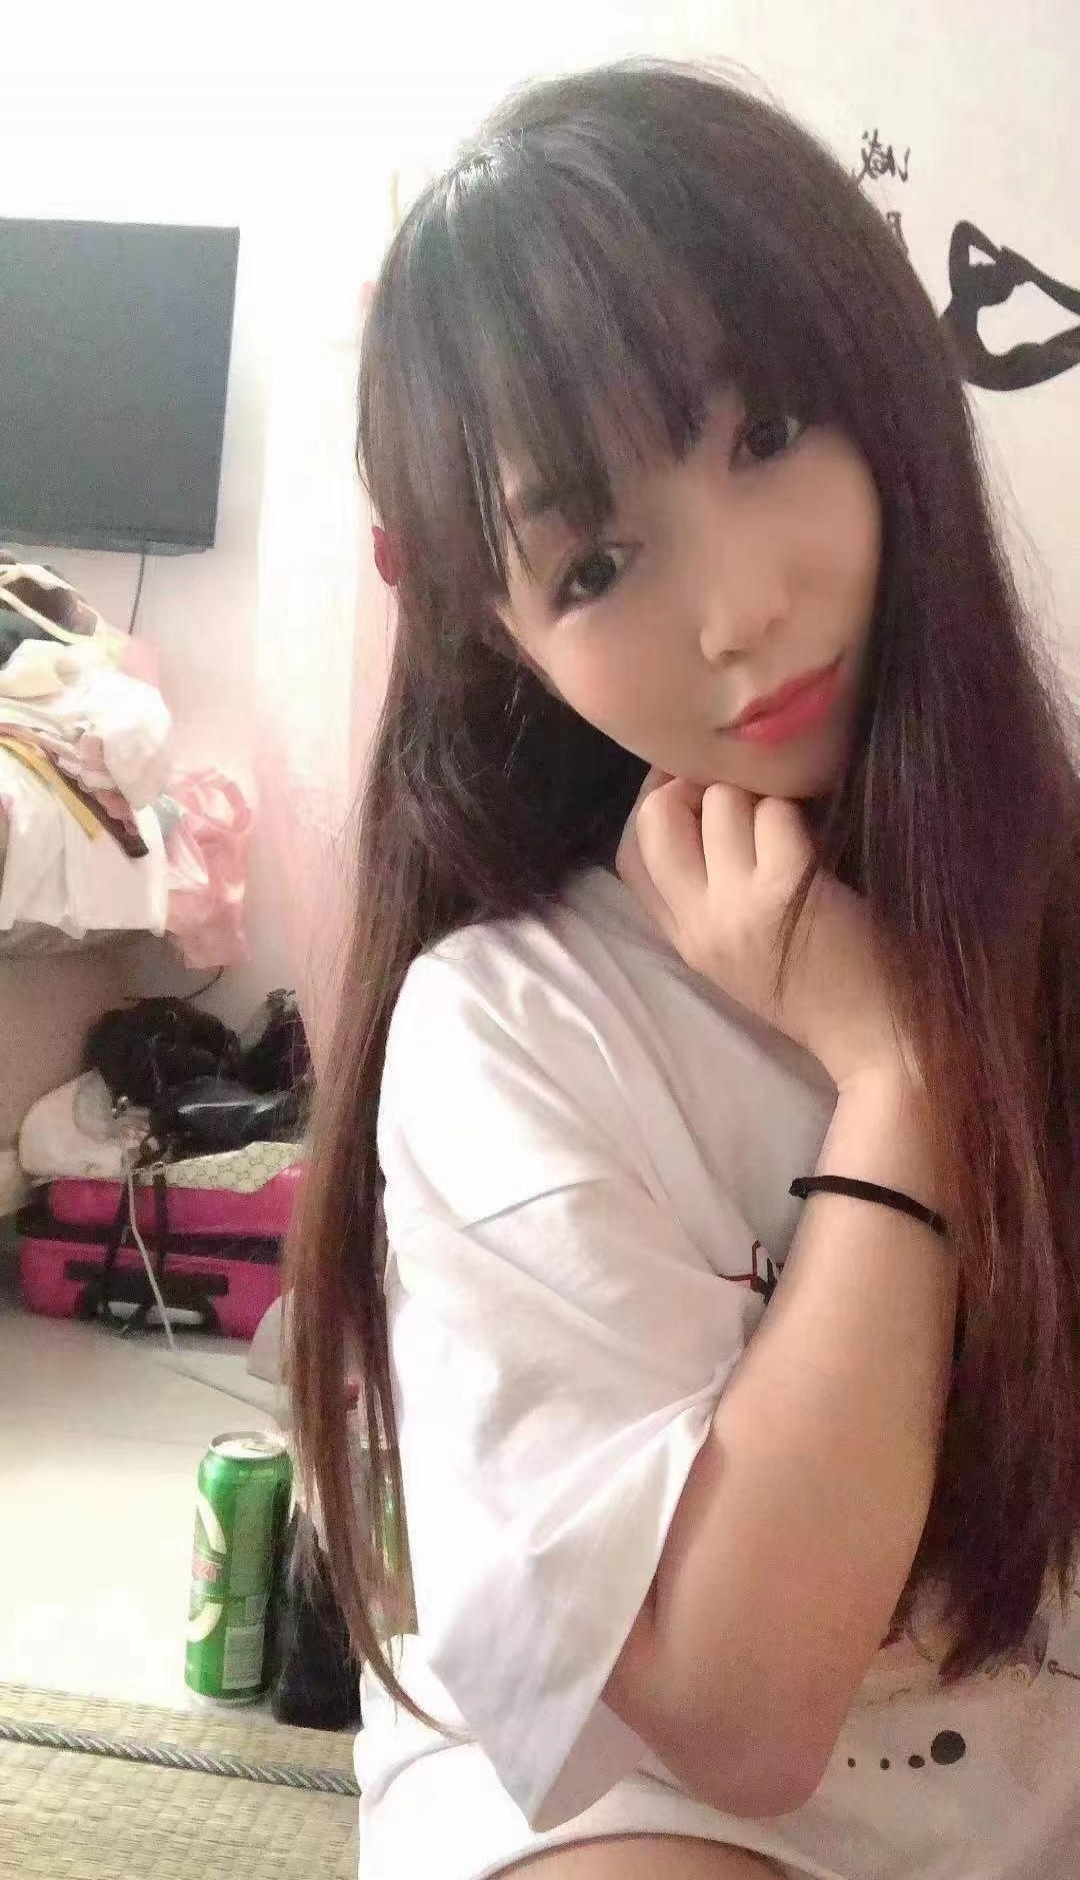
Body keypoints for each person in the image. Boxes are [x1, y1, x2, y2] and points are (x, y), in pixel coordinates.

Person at [285, 58, 1080, 1880]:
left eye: (766, 431)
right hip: (646, 1786)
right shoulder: (504, 1021)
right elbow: (737, 1708)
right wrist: (900, 1079)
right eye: (596, 564)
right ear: (502, 636)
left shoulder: (1047, 902)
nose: (736, 616)